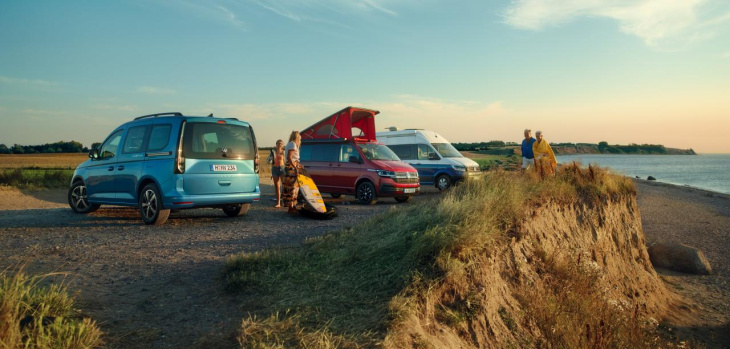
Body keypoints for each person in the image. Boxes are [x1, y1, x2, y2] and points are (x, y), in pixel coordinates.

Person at [283, 131, 302, 213]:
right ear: (297, 137)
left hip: (291, 166)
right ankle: (291, 208)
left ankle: (293, 206)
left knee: (294, 187)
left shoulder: (290, 144)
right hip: (291, 168)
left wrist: (299, 165)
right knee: (292, 188)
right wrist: (295, 167)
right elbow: (290, 157)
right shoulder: (293, 144)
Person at [270, 140, 285, 208]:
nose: (279, 144)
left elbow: (286, 161)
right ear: (276, 144)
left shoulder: (284, 152)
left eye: (281, 143)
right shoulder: (273, 152)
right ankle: (278, 202)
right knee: (277, 187)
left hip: (282, 169)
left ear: (282, 145)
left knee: (284, 186)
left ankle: (284, 201)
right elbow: (269, 161)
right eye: (278, 143)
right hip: (275, 169)